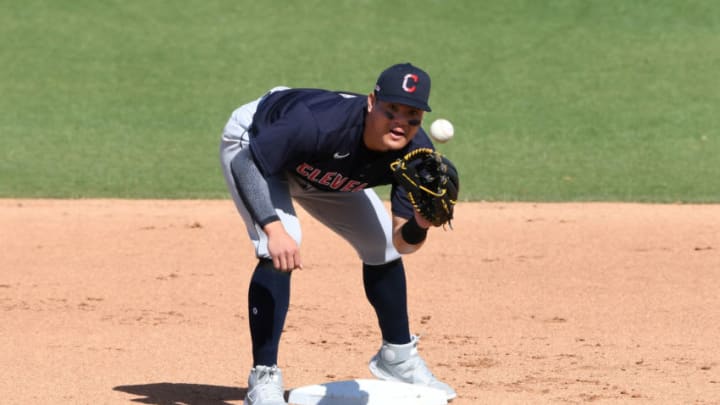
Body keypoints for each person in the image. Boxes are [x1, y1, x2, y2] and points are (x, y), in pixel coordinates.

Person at [219, 63, 457, 405]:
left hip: (325, 169)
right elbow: (247, 164)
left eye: (412, 115)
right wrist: (273, 229)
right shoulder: (316, 123)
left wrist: (420, 223)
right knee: (281, 246)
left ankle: (397, 358)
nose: (400, 122)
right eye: (392, 110)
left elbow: (402, 242)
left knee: (382, 247)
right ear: (372, 102)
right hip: (256, 144)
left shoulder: (415, 154)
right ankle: (264, 377)